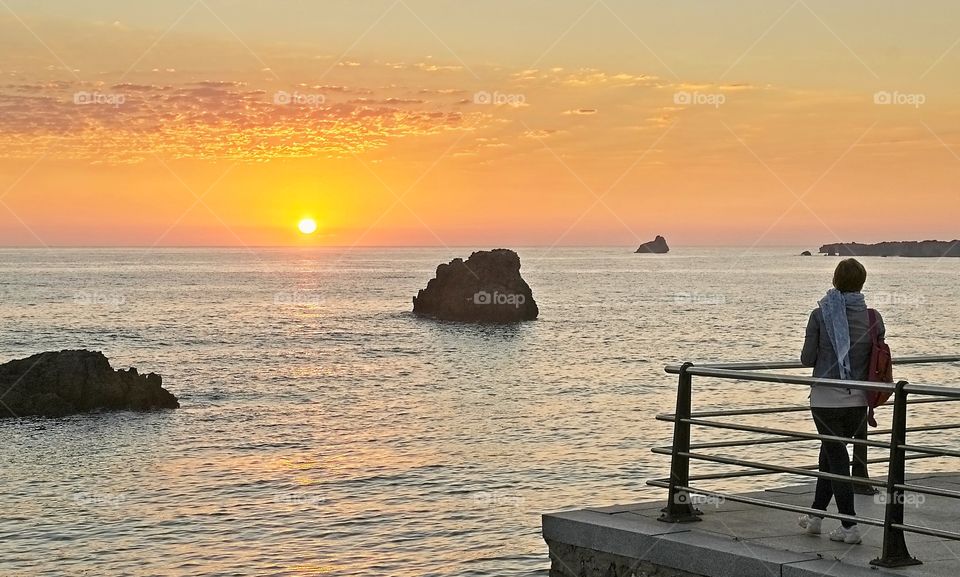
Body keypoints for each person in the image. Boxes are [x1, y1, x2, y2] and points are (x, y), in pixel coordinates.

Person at [797, 258, 884, 545]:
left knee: (836, 458)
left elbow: (807, 358)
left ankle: (849, 525)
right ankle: (816, 517)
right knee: (831, 453)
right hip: (859, 399)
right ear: (862, 282)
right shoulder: (874, 318)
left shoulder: (820, 314)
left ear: (835, 281)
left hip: (825, 399)